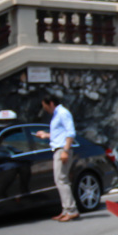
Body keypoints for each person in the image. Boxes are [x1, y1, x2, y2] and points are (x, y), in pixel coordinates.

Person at [33, 93, 78, 221]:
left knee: (61, 180)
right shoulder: (57, 115)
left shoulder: (63, 113)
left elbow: (70, 132)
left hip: (62, 150)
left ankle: (71, 210)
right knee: (60, 180)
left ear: (51, 103)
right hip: (59, 149)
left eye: (45, 106)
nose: (45, 109)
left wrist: (65, 150)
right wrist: (45, 135)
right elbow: (59, 134)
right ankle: (66, 210)